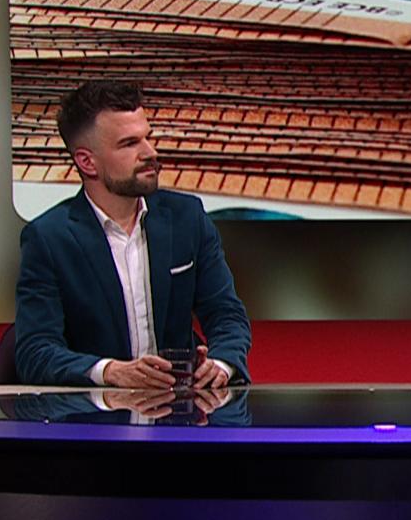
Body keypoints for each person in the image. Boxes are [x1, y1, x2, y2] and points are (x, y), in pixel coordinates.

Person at [14, 80, 251, 388]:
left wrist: (221, 364)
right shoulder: (48, 238)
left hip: (179, 408)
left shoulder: (187, 217)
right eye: (129, 144)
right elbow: (35, 351)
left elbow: (226, 314)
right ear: (87, 162)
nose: (150, 152)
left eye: (147, 138)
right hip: (93, 413)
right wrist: (110, 371)